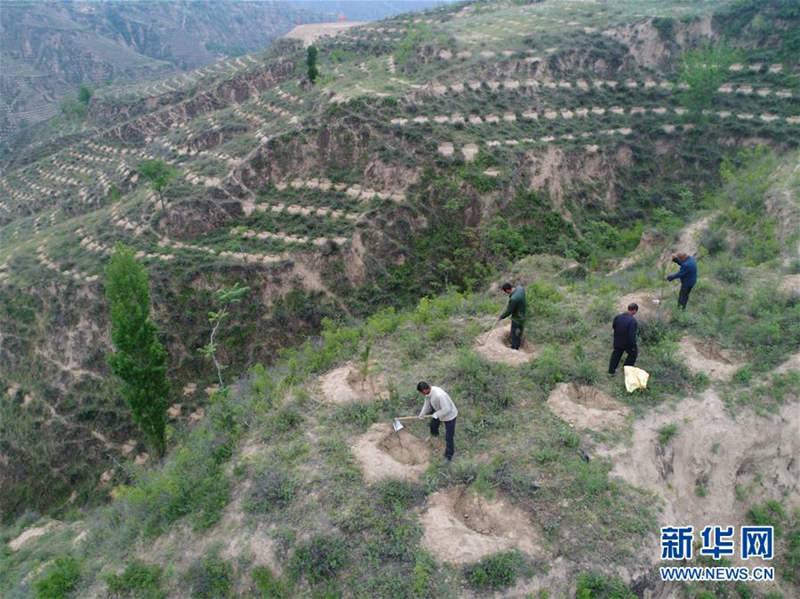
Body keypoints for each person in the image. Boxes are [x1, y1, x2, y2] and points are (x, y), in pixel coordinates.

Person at [417, 381, 458, 461]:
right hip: (438, 411)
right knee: (433, 425)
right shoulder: (429, 393)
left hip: (449, 416)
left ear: (425, 390)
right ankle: (434, 435)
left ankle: (448, 456)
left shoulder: (439, 395)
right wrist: (422, 413)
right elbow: (426, 404)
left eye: (421, 392)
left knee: (449, 437)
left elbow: (447, 409)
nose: (421, 394)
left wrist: (437, 414)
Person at [608, 302, 638, 376]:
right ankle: (626, 370)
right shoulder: (633, 321)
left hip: (617, 339)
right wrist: (634, 346)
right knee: (633, 354)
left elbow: (613, 326)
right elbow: (632, 335)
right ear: (634, 310)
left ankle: (611, 371)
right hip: (627, 342)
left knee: (616, 354)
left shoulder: (618, 316)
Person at [498, 282, 526, 350]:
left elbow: (509, 311)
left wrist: (501, 317)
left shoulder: (513, 299)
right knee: (519, 330)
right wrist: (511, 297)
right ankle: (518, 344)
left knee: (514, 332)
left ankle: (515, 347)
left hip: (517, 317)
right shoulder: (520, 288)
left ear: (507, 290)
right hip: (523, 313)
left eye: (505, 292)